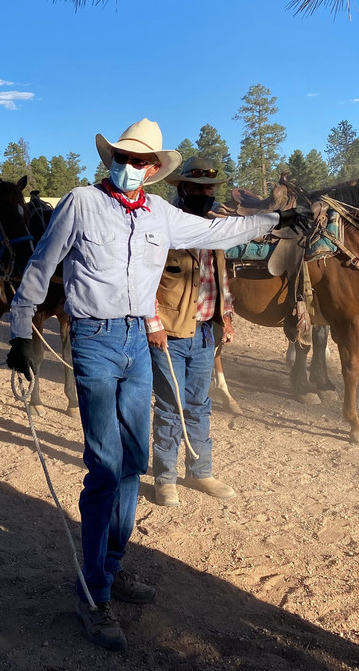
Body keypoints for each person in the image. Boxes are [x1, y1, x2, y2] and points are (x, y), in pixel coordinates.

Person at [5, 119, 308, 652]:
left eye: (140, 160)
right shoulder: (80, 203)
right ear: (111, 158)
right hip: (95, 340)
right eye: (122, 156)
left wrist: (274, 218)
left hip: (137, 344)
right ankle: (92, 593)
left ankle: (114, 568)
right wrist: (20, 333)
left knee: (133, 462)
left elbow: (219, 233)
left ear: (153, 169)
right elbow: (41, 263)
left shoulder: (161, 215)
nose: (129, 165)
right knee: (104, 466)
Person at [149, 156, 239, 508]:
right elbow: (145, 282)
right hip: (169, 332)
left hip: (203, 332)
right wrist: (152, 323)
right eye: (199, 188)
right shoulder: (161, 227)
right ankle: (165, 478)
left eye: (210, 189)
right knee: (171, 406)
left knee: (200, 404)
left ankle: (201, 472)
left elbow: (220, 276)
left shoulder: (212, 227)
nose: (206, 194)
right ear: (182, 188)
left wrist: (226, 318)